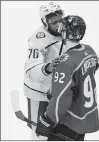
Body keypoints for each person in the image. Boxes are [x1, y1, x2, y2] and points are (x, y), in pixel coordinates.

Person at [35, 15, 99, 141]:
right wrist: (75, 84)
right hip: (84, 117)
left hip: (69, 123)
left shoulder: (64, 63)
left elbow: (61, 98)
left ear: (64, 33)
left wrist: (48, 120)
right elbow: (94, 66)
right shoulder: (89, 51)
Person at [24, 2, 68, 140]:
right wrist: (48, 67)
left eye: (60, 19)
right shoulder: (38, 39)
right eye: (54, 21)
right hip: (40, 94)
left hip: (58, 92)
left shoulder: (66, 31)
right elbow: (31, 70)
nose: (59, 24)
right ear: (45, 22)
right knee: (40, 134)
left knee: (59, 131)